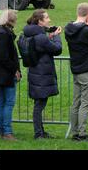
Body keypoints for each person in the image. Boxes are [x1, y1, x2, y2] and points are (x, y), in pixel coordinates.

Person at [64, 3, 88, 141]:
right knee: (86, 103)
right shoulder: (87, 30)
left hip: (76, 68)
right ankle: (82, 133)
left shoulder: (68, 28)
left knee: (76, 102)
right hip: (87, 70)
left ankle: (74, 132)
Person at [23, 9, 62, 139]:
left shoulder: (30, 33)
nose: (49, 20)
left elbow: (41, 45)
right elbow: (57, 49)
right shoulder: (40, 37)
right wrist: (56, 36)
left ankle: (40, 132)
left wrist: (49, 36)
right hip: (41, 74)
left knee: (39, 104)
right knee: (39, 105)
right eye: (47, 18)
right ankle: (38, 133)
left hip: (36, 72)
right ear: (40, 21)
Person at [0, 10, 21, 141]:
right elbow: (4, 56)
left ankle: (0, 129)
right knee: (8, 102)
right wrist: (14, 69)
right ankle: (6, 131)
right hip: (5, 74)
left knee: (2, 102)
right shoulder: (3, 34)